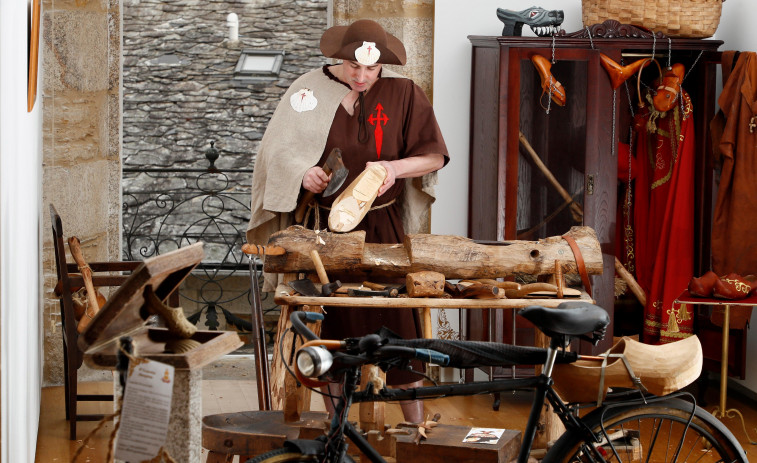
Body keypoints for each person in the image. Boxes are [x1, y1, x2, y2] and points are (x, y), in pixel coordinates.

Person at [246, 19, 449, 423]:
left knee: (398, 326)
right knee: (332, 330)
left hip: (383, 226)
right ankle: (337, 431)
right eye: (353, 67)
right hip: (324, 234)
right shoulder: (308, 89)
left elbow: (433, 156)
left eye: (370, 70)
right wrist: (304, 172)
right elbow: (275, 152)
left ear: (381, 65)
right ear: (340, 57)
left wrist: (394, 168)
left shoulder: (404, 93)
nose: (361, 77)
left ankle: (415, 430)